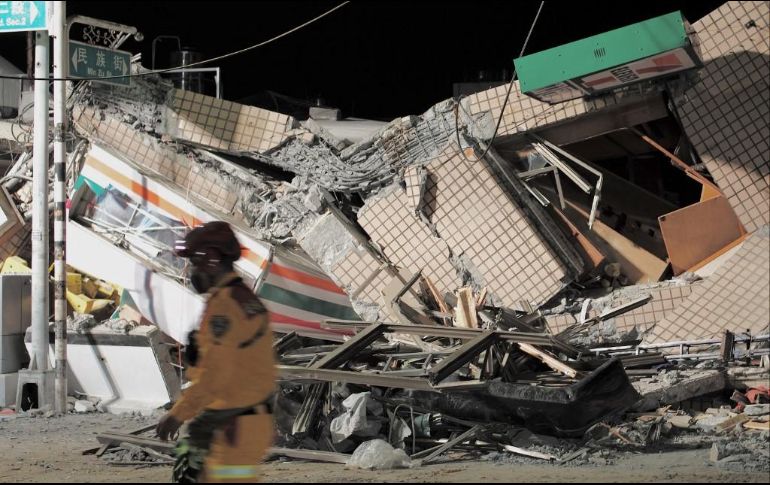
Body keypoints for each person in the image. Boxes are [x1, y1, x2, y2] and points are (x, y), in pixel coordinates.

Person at [156, 221, 276, 483]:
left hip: (232, 424)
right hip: (247, 419)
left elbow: (215, 375)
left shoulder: (224, 307)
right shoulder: (245, 299)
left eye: (194, 263)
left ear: (211, 260)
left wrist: (177, 415)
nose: (191, 271)